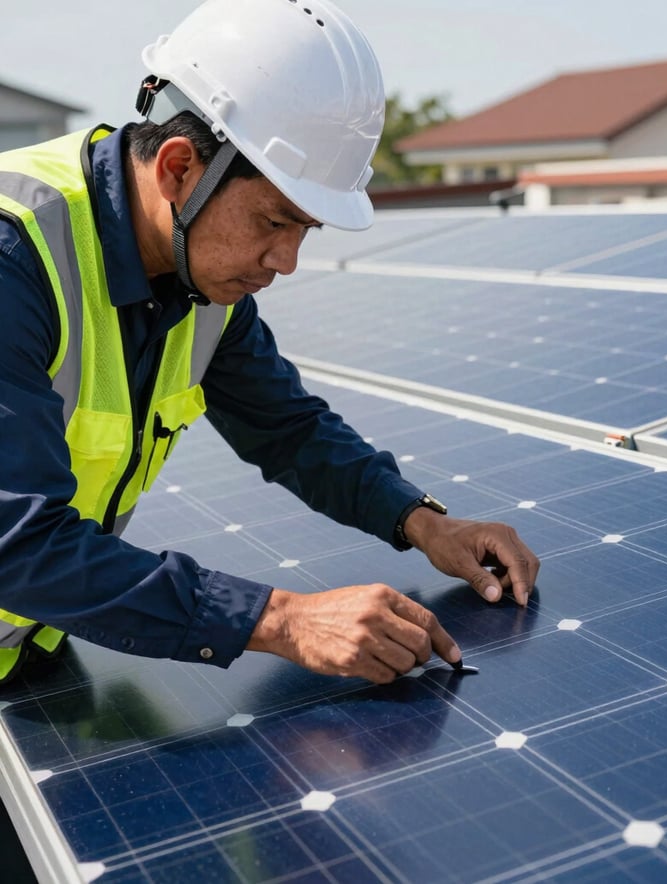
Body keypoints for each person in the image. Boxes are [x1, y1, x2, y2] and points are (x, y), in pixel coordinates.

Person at [0, 0, 539, 687]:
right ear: (177, 169)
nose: (285, 261)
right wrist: (282, 620)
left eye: (305, 230)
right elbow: (14, 545)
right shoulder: (15, 259)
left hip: (31, 647)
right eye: (273, 221)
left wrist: (425, 522)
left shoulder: (199, 275)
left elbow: (288, 430)